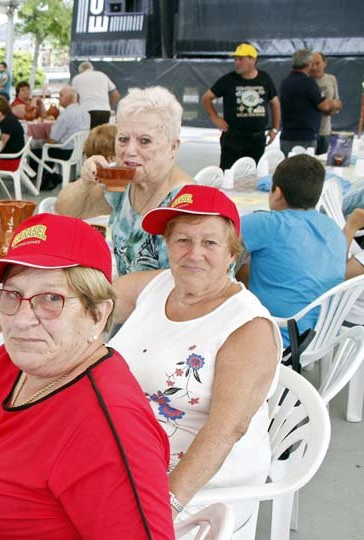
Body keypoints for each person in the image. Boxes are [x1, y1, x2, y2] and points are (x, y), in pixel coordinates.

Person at [0, 213, 175, 540]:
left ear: (99, 314)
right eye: (12, 295)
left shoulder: (107, 429)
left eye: (51, 299)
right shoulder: (14, 361)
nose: (22, 320)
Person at [110, 185, 281, 537]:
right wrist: (26, 307)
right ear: (167, 246)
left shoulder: (247, 327)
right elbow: (91, 301)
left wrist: (164, 504)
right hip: (131, 451)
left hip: (200, 483)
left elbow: (226, 430)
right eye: (182, 240)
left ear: (232, 252)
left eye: (210, 243)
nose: (193, 254)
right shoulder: (159, 286)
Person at [57, 86, 194, 276]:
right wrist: (86, 181)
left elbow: (194, 286)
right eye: (123, 139)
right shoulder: (122, 182)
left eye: (144, 141)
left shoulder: (188, 202)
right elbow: (66, 211)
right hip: (127, 302)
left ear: (173, 147)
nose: (129, 151)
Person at [236, 155, 345, 348]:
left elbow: (217, 233)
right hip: (323, 334)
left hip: (281, 336)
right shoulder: (332, 227)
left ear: (277, 193)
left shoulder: (270, 223)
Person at [201, 44, 281, 169]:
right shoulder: (228, 80)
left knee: (253, 174)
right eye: (235, 59)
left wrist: (275, 129)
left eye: (241, 59)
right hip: (233, 139)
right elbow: (207, 98)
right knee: (228, 174)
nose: (237, 63)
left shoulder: (264, 79)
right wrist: (215, 118)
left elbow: (275, 103)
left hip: (257, 139)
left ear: (253, 60)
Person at [279, 48, 342, 156]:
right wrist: (335, 103)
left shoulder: (285, 82)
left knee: (290, 168)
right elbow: (324, 106)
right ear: (308, 64)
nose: (314, 67)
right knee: (308, 169)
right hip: (305, 136)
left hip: (287, 136)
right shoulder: (308, 83)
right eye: (313, 63)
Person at [72, 61, 121, 128]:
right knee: (102, 136)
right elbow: (116, 95)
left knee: (88, 136)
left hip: (86, 110)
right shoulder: (102, 75)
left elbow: (75, 99)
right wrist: (107, 106)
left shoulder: (76, 79)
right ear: (92, 68)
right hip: (104, 111)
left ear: (80, 72)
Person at [310, 52, 340, 155]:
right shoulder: (305, 80)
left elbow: (337, 103)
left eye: (317, 63)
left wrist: (330, 108)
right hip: (309, 132)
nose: (314, 67)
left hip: (325, 130)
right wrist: (328, 105)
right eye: (311, 64)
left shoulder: (331, 79)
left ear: (325, 63)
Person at [0, 95, 25, 172]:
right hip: (14, 158)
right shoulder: (8, 119)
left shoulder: (6, 123)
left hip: (9, 161)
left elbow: (0, 146)